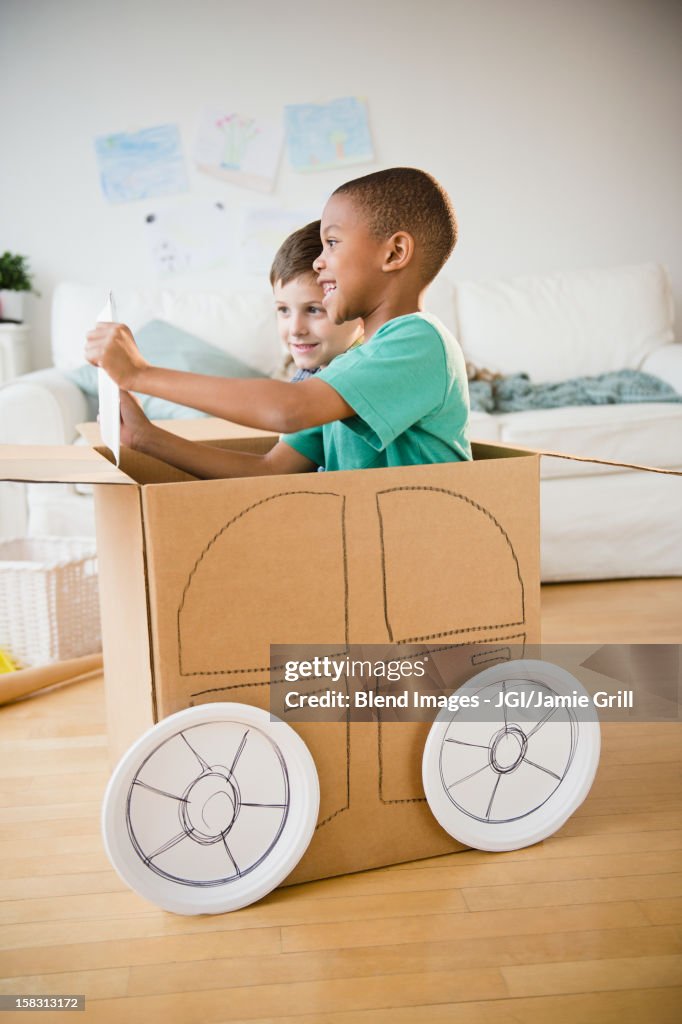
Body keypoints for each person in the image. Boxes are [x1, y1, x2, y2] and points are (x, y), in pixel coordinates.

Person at [85, 167, 471, 477]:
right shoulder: (342, 374)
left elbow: (289, 408)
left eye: (332, 243)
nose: (319, 263)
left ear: (395, 253)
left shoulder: (418, 339)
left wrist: (140, 374)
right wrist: (147, 438)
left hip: (423, 557)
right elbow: (269, 469)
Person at [270, 219, 363, 382]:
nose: (295, 329)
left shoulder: (358, 374)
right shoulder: (315, 365)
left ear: (362, 310)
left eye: (313, 310)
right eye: (284, 310)